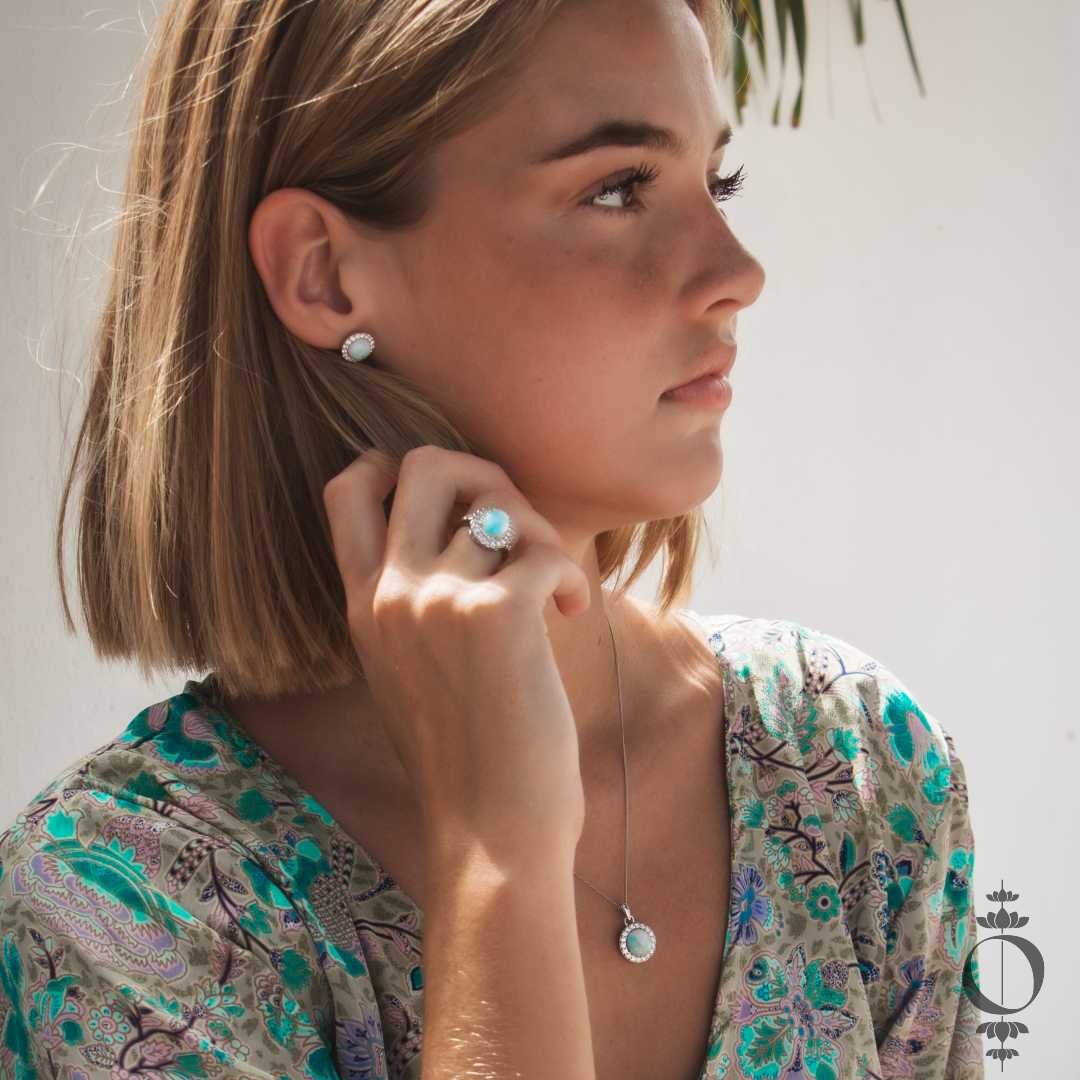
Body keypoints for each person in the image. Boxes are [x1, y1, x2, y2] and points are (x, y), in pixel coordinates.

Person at [0, 1, 985, 1078]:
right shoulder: (113, 914)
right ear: (324, 273)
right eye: (617, 188)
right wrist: (497, 856)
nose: (736, 269)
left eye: (721, 180)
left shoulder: (855, 766)